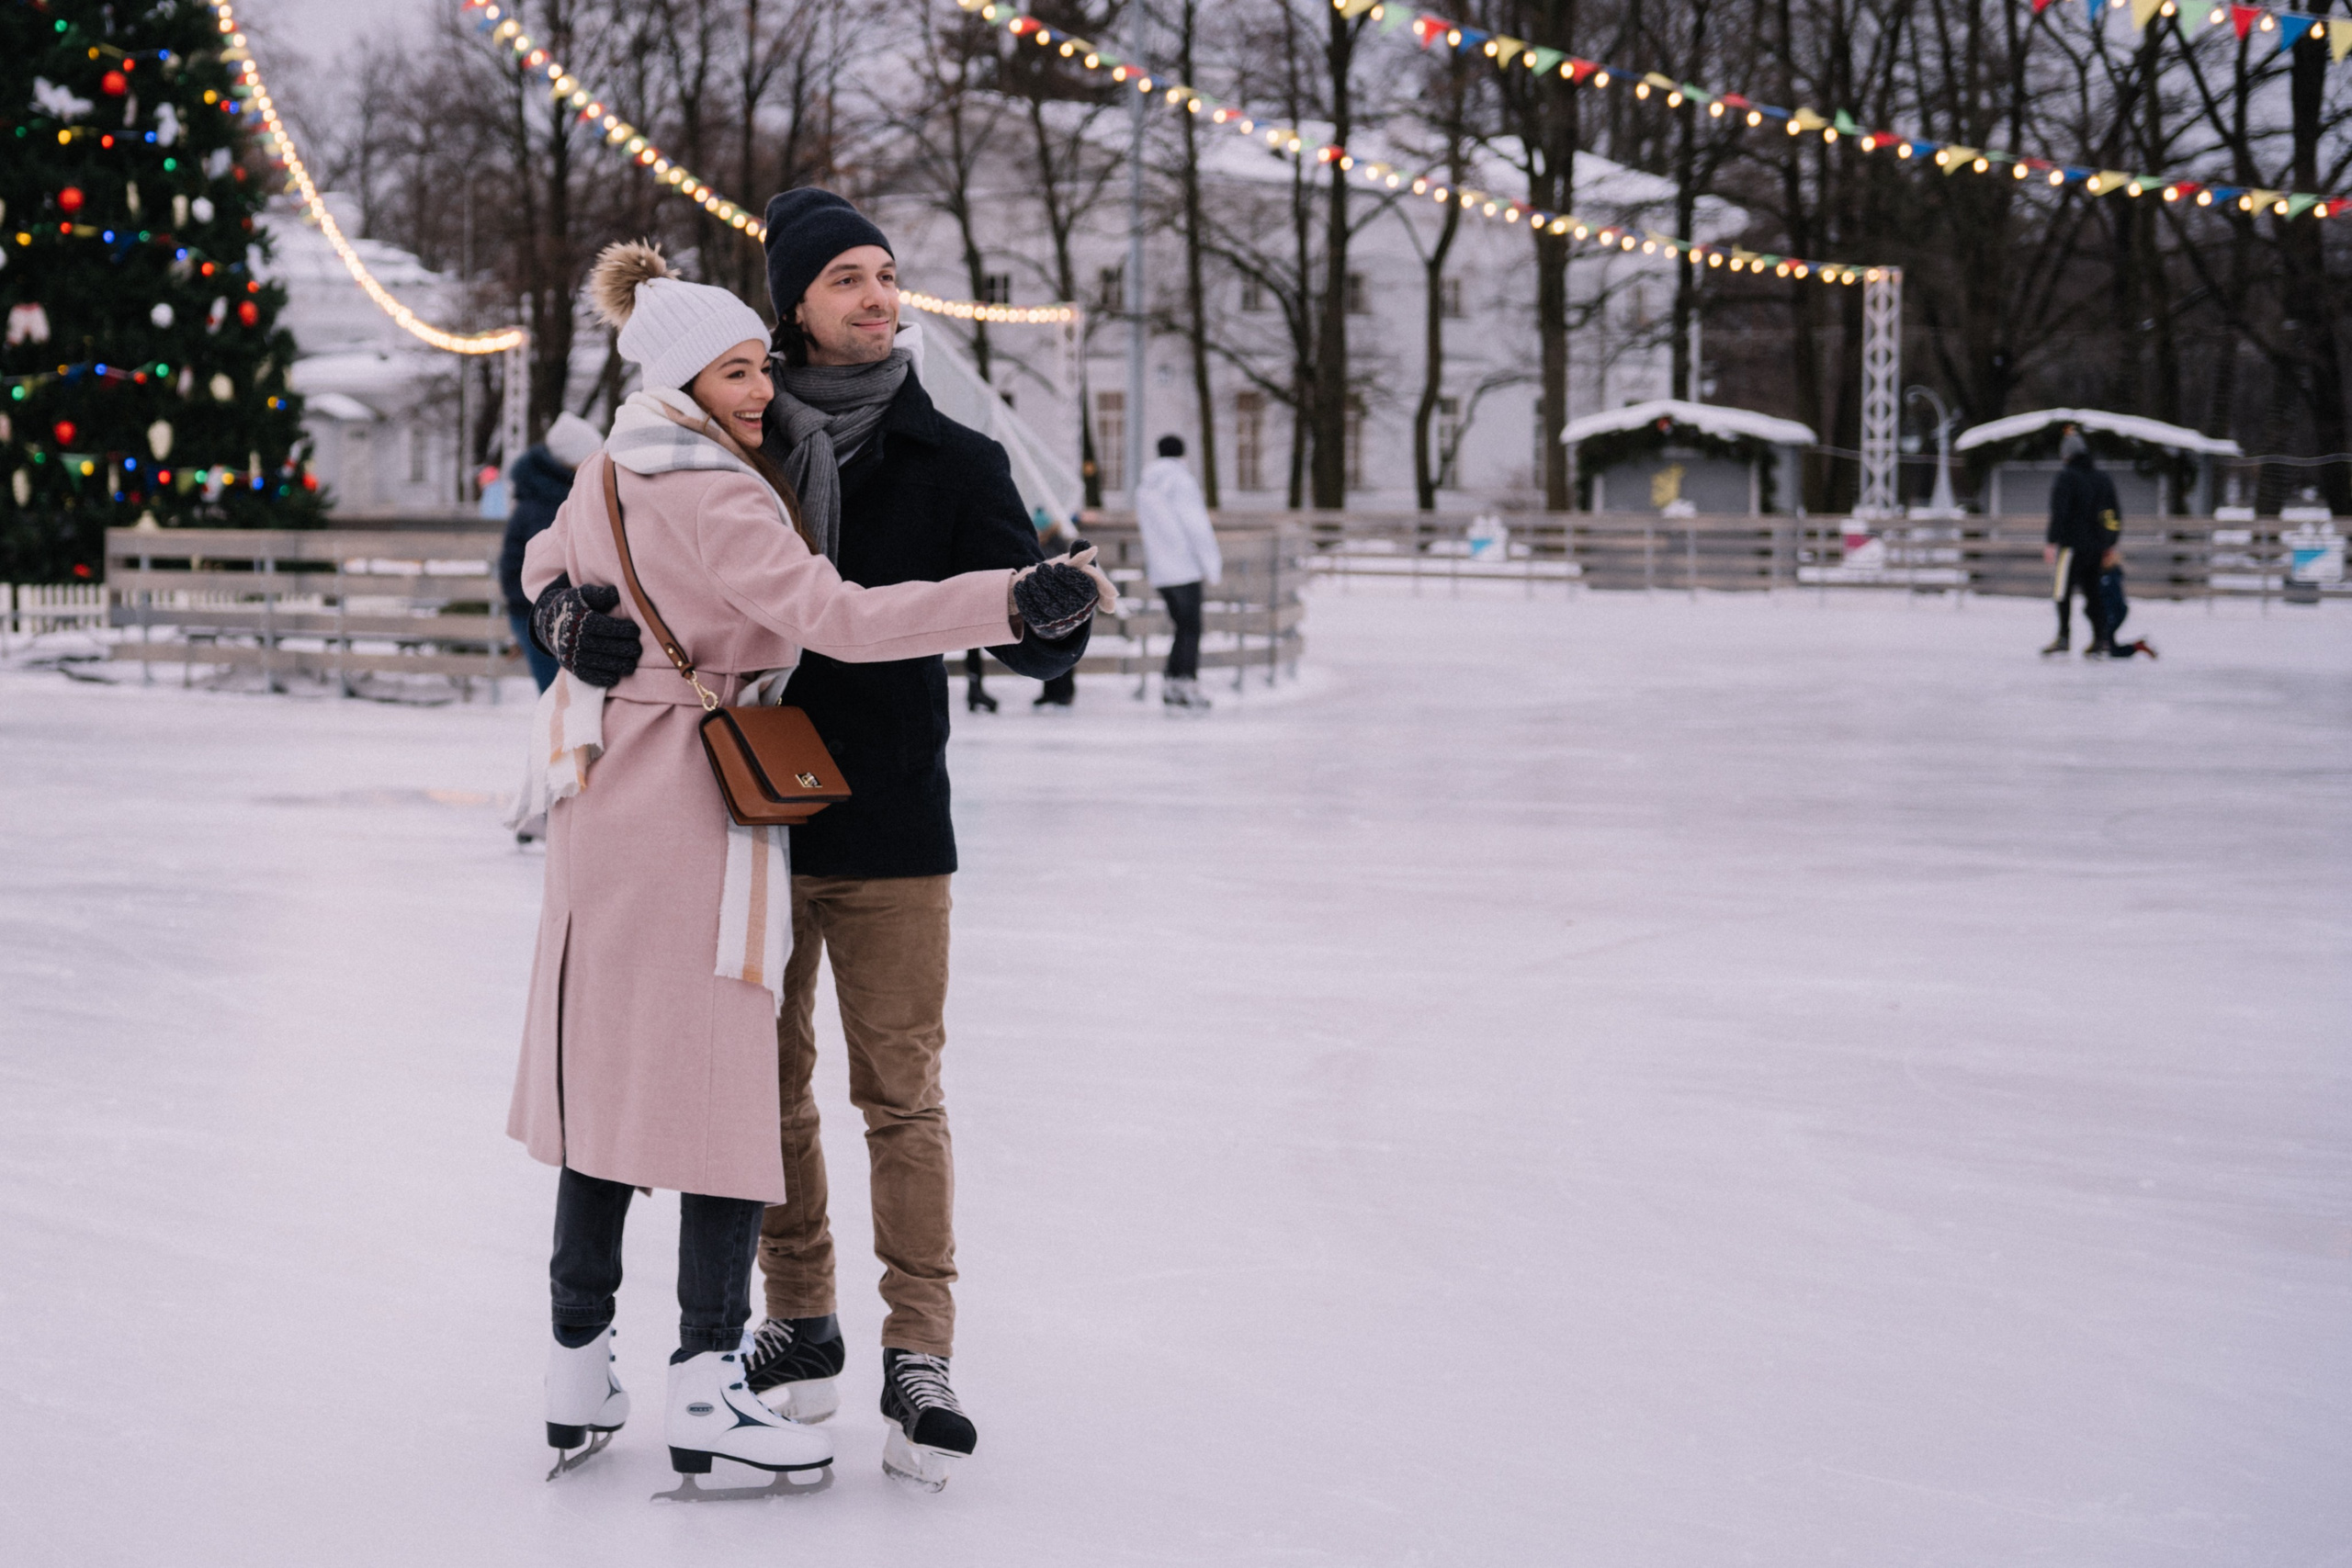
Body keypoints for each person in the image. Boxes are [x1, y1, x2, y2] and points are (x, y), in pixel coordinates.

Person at [513, 240, 1113, 1487]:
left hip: (694, 795)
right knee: (731, 1091)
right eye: (733, 369)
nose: (754, 390)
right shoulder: (733, 476)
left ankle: (592, 1361)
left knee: (627, 1085)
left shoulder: (629, 459)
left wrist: (563, 610)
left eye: (753, 370)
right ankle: (711, 1370)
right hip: (711, 801)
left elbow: (549, 554)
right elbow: (835, 616)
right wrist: (1009, 597)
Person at [499, 412, 606, 692]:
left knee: (565, 698)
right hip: (541, 612)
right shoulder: (548, 504)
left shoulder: (553, 495)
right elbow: (551, 565)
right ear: (573, 461)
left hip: (543, 610)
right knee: (562, 697)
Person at [1135, 434, 1222, 710]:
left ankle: (1172, 681)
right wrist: (1211, 565)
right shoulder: (1182, 482)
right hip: (1184, 568)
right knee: (1191, 628)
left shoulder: (1146, 485)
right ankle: (1185, 683)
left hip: (1161, 570)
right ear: (1182, 454)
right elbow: (1196, 525)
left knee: (1181, 627)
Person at [2042, 428, 2121, 656]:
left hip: (2071, 547)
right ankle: (2100, 639)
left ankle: (2064, 637)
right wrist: (2109, 542)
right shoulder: (2102, 479)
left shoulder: (2066, 478)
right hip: (2096, 548)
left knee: (2061, 591)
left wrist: (2051, 541)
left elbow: (2060, 512)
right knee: (2094, 593)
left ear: (2066, 455)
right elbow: (2112, 513)